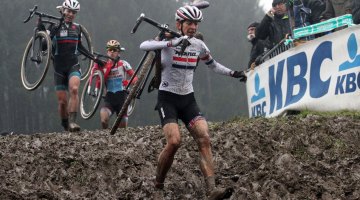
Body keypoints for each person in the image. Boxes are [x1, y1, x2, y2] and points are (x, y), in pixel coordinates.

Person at [139, 5, 245, 199]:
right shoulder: (168, 40)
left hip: (188, 100)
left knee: (204, 138)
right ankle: (158, 185)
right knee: (174, 142)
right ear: (179, 24)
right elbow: (144, 46)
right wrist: (169, 44)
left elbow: (213, 65)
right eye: (189, 23)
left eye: (196, 23)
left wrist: (233, 73)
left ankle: (212, 189)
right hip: (167, 98)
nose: (193, 27)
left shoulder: (198, 45)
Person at [50, 0, 98, 132]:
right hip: (59, 68)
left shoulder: (77, 28)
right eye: (69, 11)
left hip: (73, 65)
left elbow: (81, 47)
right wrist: (47, 32)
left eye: (74, 12)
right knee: (62, 102)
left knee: (75, 89)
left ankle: (72, 122)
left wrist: (93, 57)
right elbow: (45, 47)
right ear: (63, 10)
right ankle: (65, 123)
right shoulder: (54, 26)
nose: (71, 14)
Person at [91, 40, 138, 129]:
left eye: (114, 50)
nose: (112, 52)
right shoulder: (104, 65)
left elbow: (136, 79)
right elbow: (98, 81)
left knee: (122, 130)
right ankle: (106, 136)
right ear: (107, 52)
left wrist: (127, 82)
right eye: (110, 49)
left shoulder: (123, 64)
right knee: (104, 119)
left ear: (118, 52)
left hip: (122, 97)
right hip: (109, 97)